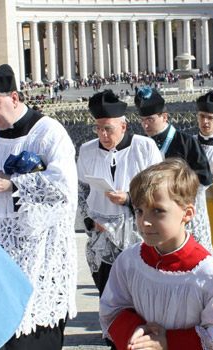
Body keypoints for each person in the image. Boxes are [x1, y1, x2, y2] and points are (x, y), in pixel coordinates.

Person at [0, 64, 77, 350]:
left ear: (15, 98)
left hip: (40, 253)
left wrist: (13, 185)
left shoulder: (48, 133)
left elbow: (64, 187)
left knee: (32, 335)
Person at [99, 158, 213, 350]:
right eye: (139, 210)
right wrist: (137, 331)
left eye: (158, 211)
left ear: (188, 213)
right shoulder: (129, 262)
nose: (144, 222)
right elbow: (112, 309)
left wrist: (169, 342)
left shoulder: (212, 278)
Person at [77, 90, 162, 296]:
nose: (103, 135)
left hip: (138, 236)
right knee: (108, 297)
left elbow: (160, 188)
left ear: (123, 126)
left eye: (108, 129)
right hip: (102, 237)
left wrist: (129, 199)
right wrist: (89, 222)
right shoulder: (87, 150)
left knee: (140, 297)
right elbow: (80, 191)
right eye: (98, 129)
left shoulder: (144, 147)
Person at [135, 86, 213, 252]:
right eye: (142, 120)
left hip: (183, 214)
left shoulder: (186, 142)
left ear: (164, 117)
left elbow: (204, 178)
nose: (145, 125)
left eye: (150, 120)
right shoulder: (140, 145)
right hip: (152, 216)